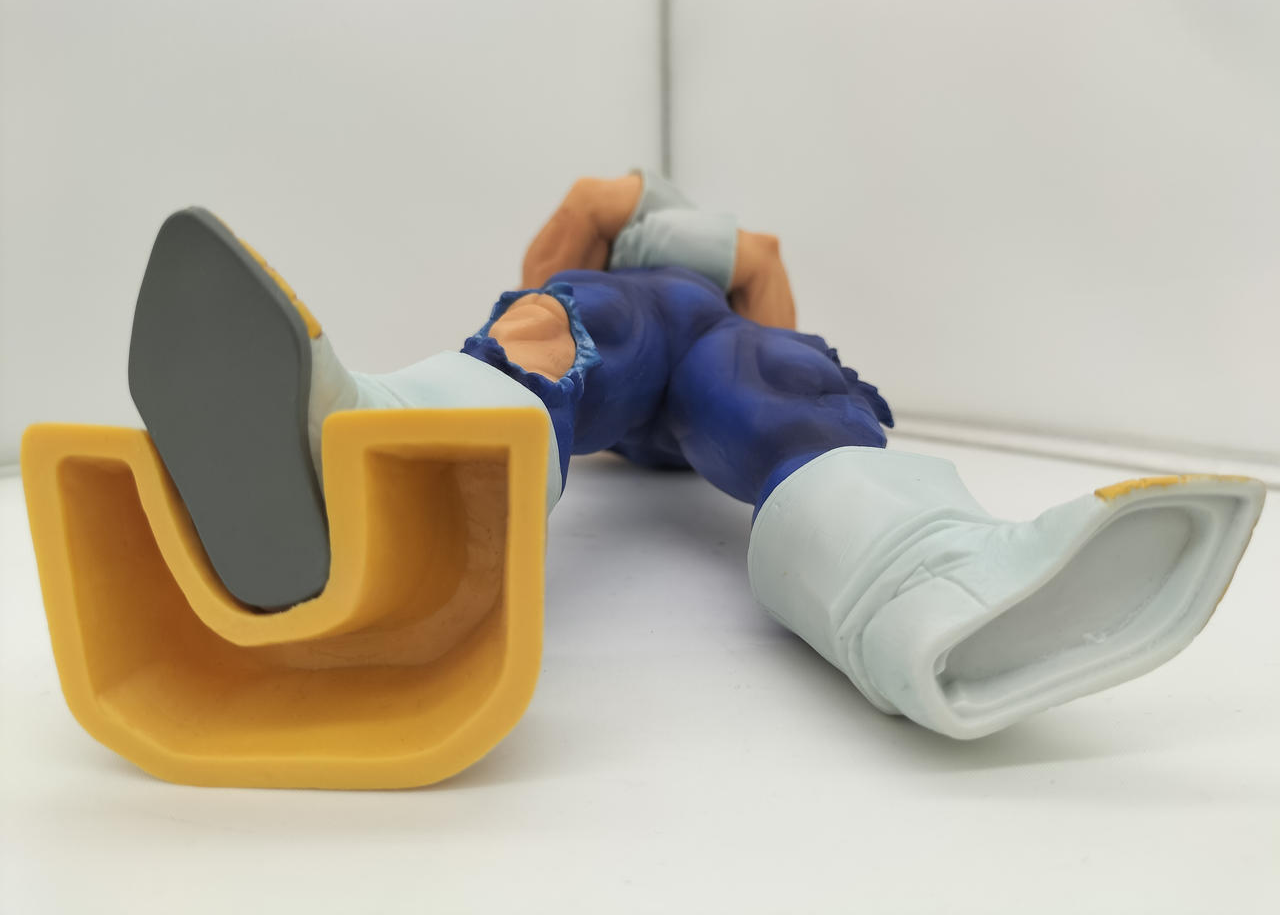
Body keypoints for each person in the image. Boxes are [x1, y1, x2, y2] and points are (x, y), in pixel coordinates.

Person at [127, 170, 1265, 740]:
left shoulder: (712, 285)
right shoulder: (599, 276)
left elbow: (764, 267)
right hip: (610, 372)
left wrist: (690, 240)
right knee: (557, 324)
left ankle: (932, 576)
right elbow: (563, 235)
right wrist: (627, 212)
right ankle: (373, 452)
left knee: (767, 382)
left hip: (706, 370)